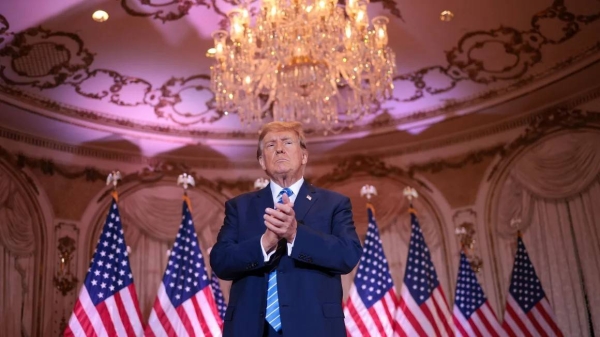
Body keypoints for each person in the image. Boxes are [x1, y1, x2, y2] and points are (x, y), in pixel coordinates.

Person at [210, 121, 362, 337]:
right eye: (271, 145)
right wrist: (264, 244)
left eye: (287, 142)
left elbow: (348, 255)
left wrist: (295, 235)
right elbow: (221, 262)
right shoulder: (239, 207)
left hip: (315, 328)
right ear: (262, 161)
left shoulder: (334, 204)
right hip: (251, 329)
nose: (279, 148)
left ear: (304, 156)